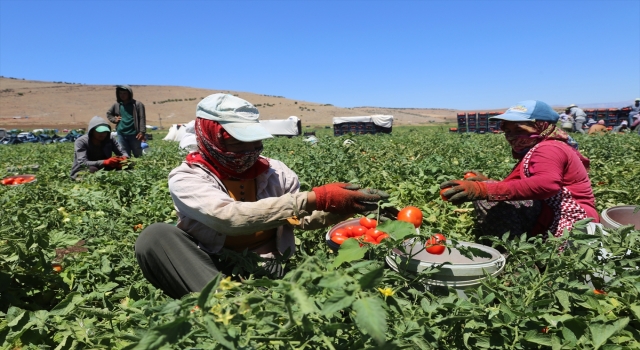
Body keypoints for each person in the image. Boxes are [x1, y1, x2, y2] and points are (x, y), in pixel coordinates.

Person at [135, 94, 388, 299]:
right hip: (210, 264)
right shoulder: (187, 178)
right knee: (155, 236)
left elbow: (296, 220)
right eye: (238, 143)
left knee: (268, 296)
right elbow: (228, 218)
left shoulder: (276, 172)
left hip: (265, 264)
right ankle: (221, 302)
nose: (249, 151)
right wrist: (314, 198)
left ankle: (232, 308)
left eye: (254, 142)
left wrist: (343, 208)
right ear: (210, 137)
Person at [440, 100, 598, 240]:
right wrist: (489, 182)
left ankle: (513, 261)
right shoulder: (542, 146)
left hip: (572, 219)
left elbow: (546, 185)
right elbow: (527, 186)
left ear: (541, 126)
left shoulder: (549, 149)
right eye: (508, 131)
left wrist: (483, 189)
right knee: (493, 194)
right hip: (551, 209)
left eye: (520, 130)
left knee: (488, 201)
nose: (512, 136)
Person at [106, 85, 146, 157]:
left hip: (135, 133)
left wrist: (142, 132)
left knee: (137, 152)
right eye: (120, 93)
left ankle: (139, 167)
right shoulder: (117, 105)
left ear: (129, 94)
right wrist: (114, 119)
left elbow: (142, 118)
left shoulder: (137, 104)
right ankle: (128, 167)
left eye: (124, 93)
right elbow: (109, 114)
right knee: (124, 153)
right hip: (121, 133)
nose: (122, 95)